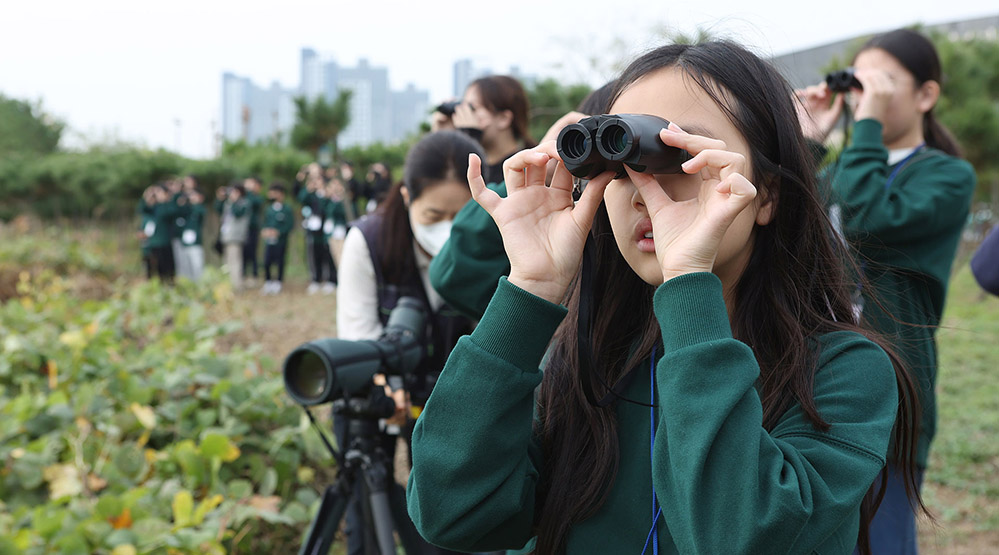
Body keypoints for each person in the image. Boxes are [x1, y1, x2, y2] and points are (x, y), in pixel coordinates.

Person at [406, 41, 925, 555]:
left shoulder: (845, 373)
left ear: (766, 194)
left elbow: (739, 535)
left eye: (681, 155)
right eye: (620, 161)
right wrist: (530, 289)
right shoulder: (585, 356)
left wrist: (687, 289)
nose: (643, 189)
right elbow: (450, 511)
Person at [796, 28, 976, 553]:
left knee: (882, 538)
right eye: (860, 82)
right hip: (816, 379)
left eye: (883, 82)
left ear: (926, 96)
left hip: (892, 390)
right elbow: (770, 214)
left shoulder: (946, 176)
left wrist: (866, 123)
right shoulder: (841, 171)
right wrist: (810, 137)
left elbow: (865, 215)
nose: (864, 94)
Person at [336, 130, 479, 555]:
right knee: (364, 515)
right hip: (378, 391)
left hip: (452, 396)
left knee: (449, 516)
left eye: (465, 215)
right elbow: (357, 331)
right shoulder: (369, 239)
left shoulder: (491, 246)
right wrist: (381, 380)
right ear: (404, 196)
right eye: (434, 215)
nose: (449, 231)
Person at [430, 81, 618, 320]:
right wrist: (447, 142)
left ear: (504, 118)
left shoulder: (535, 176)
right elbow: (451, 275)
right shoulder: (535, 173)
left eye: (473, 107)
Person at [433, 75, 536, 186]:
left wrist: (469, 138)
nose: (465, 114)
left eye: (472, 108)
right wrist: (442, 139)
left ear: (503, 119)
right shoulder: (483, 165)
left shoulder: (526, 168)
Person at [298, 174, 337, 294]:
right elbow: (301, 200)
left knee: (328, 255)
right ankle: (315, 280)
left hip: (326, 230)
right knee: (314, 255)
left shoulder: (328, 195)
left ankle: (330, 280)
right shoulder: (311, 195)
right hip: (313, 231)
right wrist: (308, 189)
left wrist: (326, 195)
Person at [260, 182, 293, 295]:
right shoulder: (269, 209)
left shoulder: (287, 209)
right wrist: (265, 231)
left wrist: (279, 232)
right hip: (269, 240)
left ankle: (278, 281)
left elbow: (289, 225)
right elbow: (265, 222)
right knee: (267, 261)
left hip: (281, 240)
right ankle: (268, 281)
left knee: (280, 260)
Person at [217, 182, 250, 290]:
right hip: (226, 236)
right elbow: (218, 209)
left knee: (235, 261)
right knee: (227, 262)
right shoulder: (228, 203)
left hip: (236, 237)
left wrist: (234, 200)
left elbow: (237, 213)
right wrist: (220, 198)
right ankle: (228, 284)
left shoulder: (244, 203)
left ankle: (237, 285)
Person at [180, 188, 206, 282]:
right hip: (185, 241)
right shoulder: (187, 209)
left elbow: (201, 213)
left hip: (196, 242)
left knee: (197, 265)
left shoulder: (200, 208)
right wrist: (183, 201)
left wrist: (196, 202)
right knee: (186, 265)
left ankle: (199, 283)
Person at [242, 176, 264, 284]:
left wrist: (250, 191)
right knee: (243, 252)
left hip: (252, 228)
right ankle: (243, 275)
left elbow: (253, 203)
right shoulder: (243, 196)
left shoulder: (256, 197)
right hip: (242, 229)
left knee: (252, 251)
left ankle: (254, 275)